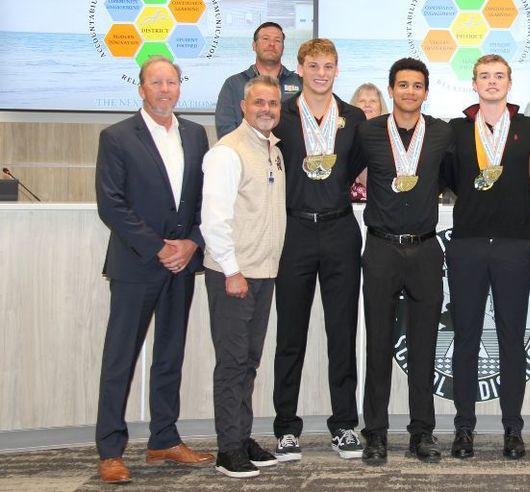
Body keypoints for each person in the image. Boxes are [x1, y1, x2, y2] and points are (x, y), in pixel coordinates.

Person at [94, 55, 213, 484]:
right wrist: (156, 247)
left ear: (180, 87)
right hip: (136, 264)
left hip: (182, 264)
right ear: (141, 88)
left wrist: (191, 242)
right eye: (156, 82)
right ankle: (110, 448)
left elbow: (204, 199)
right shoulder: (117, 136)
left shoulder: (196, 135)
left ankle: (164, 437)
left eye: (172, 82)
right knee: (120, 358)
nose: (165, 90)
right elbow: (111, 204)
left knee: (169, 355)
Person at [269, 38, 367, 462]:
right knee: (290, 335)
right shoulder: (282, 115)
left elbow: (366, 167)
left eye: (328, 65)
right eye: (314, 65)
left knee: (342, 333)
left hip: (340, 230)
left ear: (337, 69)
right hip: (293, 232)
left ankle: (344, 425)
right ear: (300, 68)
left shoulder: (355, 117)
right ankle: (286, 428)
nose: (321, 72)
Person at [354, 57, 455, 466]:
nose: (410, 92)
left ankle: (422, 432)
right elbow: (352, 173)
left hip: (426, 249)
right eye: (402, 85)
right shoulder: (369, 131)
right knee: (377, 344)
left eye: (417, 86)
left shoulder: (442, 133)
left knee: (424, 345)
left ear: (426, 92)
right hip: (380, 248)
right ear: (391, 89)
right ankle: (375, 434)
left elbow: (449, 178)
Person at [444, 54, 530, 460]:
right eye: (484, 76)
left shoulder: (529, 127)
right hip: (467, 243)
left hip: (513, 245)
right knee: (465, 338)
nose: (491, 82)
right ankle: (463, 428)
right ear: (474, 83)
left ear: (509, 81)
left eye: (498, 76)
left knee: (510, 340)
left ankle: (512, 429)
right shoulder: (455, 129)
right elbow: (450, 181)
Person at [201, 75, 287, 478]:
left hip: (263, 273)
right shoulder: (227, 152)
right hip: (234, 276)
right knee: (232, 362)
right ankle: (227, 449)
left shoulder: (272, 149)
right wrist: (232, 270)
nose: (266, 109)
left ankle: (242, 436)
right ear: (244, 106)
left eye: (272, 103)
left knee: (249, 362)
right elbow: (213, 220)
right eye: (259, 103)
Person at [215, 22, 302, 138]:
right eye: (265, 39)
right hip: (245, 154)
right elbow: (226, 131)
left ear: (283, 47)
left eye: (277, 40)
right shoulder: (233, 84)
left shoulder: (300, 83)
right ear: (254, 45)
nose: (271, 44)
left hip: (288, 155)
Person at [348, 83, 389, 201]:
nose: (367, 105)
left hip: (382, 201)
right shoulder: (344, 134)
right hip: (349, 204)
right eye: (362, 100)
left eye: (373, 101)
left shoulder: (391, 136)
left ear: (381, 107)